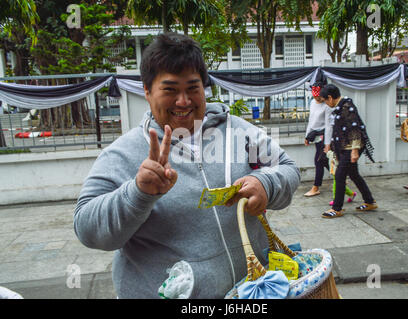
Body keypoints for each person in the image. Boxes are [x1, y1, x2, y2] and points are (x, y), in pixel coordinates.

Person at [73, 33, 301, 299]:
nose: (183, 101)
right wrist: (137, 193)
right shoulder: (122, 154)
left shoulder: (239, 132)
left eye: (193, 88)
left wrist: (267, 184)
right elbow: (86, 228)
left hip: (251, 294)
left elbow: (288, 168)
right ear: (147, 91)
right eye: (170, 89)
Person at [319, 84, 377, 218]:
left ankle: (337, 208)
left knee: (339, 175)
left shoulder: (346, 107)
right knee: (354, 174)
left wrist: (355, 151)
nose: (326, 104)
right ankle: (370, 201)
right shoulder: (340, 107)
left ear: (330, 97)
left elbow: (354, 129)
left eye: (325, 101)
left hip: (350, 148)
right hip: (345, 147)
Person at [303, 83, 332, 197]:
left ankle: (316, 187)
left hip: (324, 136)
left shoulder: (327, 106)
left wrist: (327, 143)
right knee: (324, 161)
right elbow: (311, 120)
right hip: (314, 135)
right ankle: (340, 177)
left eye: (319, 97)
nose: (317, 99)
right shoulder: (312, 103)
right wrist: (307, 136)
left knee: (318, 160)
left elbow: (329, 125)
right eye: (315, 97)